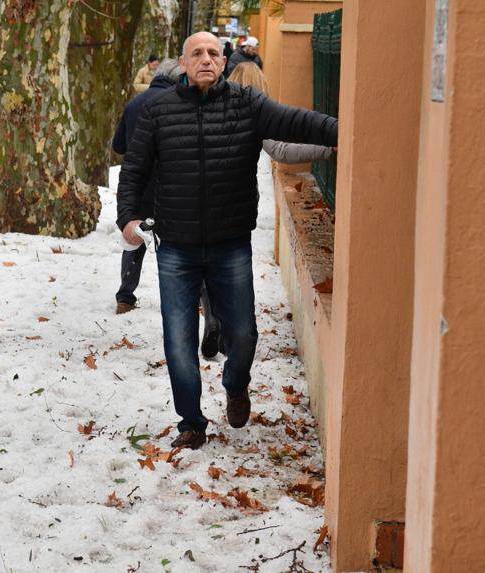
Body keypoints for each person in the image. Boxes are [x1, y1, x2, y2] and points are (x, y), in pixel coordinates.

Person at [117, 32, 337, 450]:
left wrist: (342, 132)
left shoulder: (247, 103)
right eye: (196, 53)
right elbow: (134, 170)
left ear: (223, 62)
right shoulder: (157, 111)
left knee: (244, 334)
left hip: (229, 242)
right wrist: (127, 217)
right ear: (182, 63)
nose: (205, 59)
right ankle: (191, 423)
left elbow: (294, 120)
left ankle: (236, 384)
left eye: (213, 53)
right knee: (178, 339)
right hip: (176, 247)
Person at [198, 61, 335, 359]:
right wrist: (328, 149)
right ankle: (229, 327)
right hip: (236, 208)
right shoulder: (256, 114)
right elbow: (283, 151)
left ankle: (211, 318)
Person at [112, 59, 183, 314]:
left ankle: (125, 296)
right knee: (174, 243)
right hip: (168, 185)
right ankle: (182, 297)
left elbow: (118, 146)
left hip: (137, 184)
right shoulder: (177, 104)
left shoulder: (133, 104)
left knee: (134, 239)